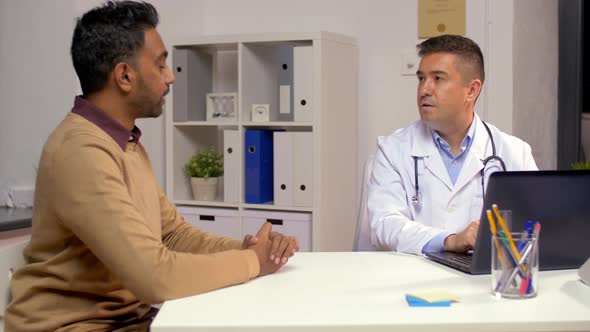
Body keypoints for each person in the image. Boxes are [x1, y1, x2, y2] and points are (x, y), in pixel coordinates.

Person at [4, 1, 298, 331]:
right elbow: (154, 277)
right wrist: (251, 262)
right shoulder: (80, 152)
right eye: (160, 65)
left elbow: (172, 235)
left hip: (131, 321)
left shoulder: (126, 144)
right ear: (124, 76)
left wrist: (247, 248)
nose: (170, 77)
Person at [367, 34, 537, 255]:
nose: (424, 90)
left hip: (483, 281)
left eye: (438, 78)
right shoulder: (393, 149)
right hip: (412, 277)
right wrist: (449, 240)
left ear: (472, 90)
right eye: (421, 78)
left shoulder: (514, 152)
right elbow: (384, 224)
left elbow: (530, 226)